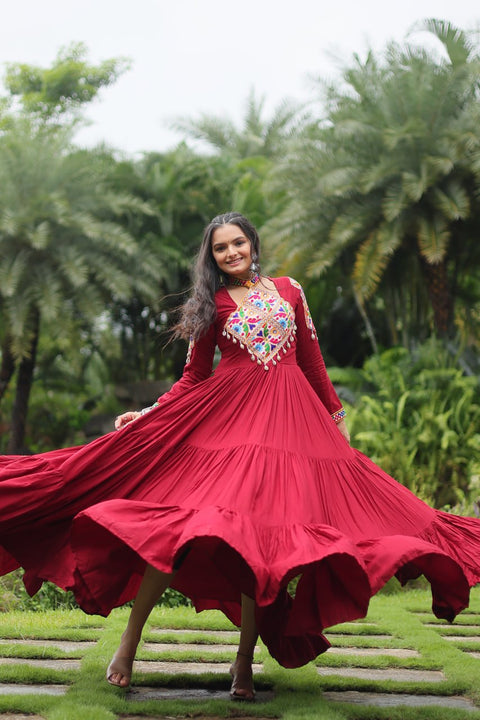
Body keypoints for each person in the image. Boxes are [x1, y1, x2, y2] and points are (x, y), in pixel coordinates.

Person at [1, 212, 480, 702]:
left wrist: (337, 427)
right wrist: (147, 414)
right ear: (211, 257)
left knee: (262, 545)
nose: (231, 253)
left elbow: (312, 363)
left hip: (292, 429)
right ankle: (128, 644)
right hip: (228, 428)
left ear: (253, 242)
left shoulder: (290, 290)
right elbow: (193, 378)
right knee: (178, 531)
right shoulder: (212, 304)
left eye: (237, 243)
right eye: (220, 249)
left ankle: (243, 662)